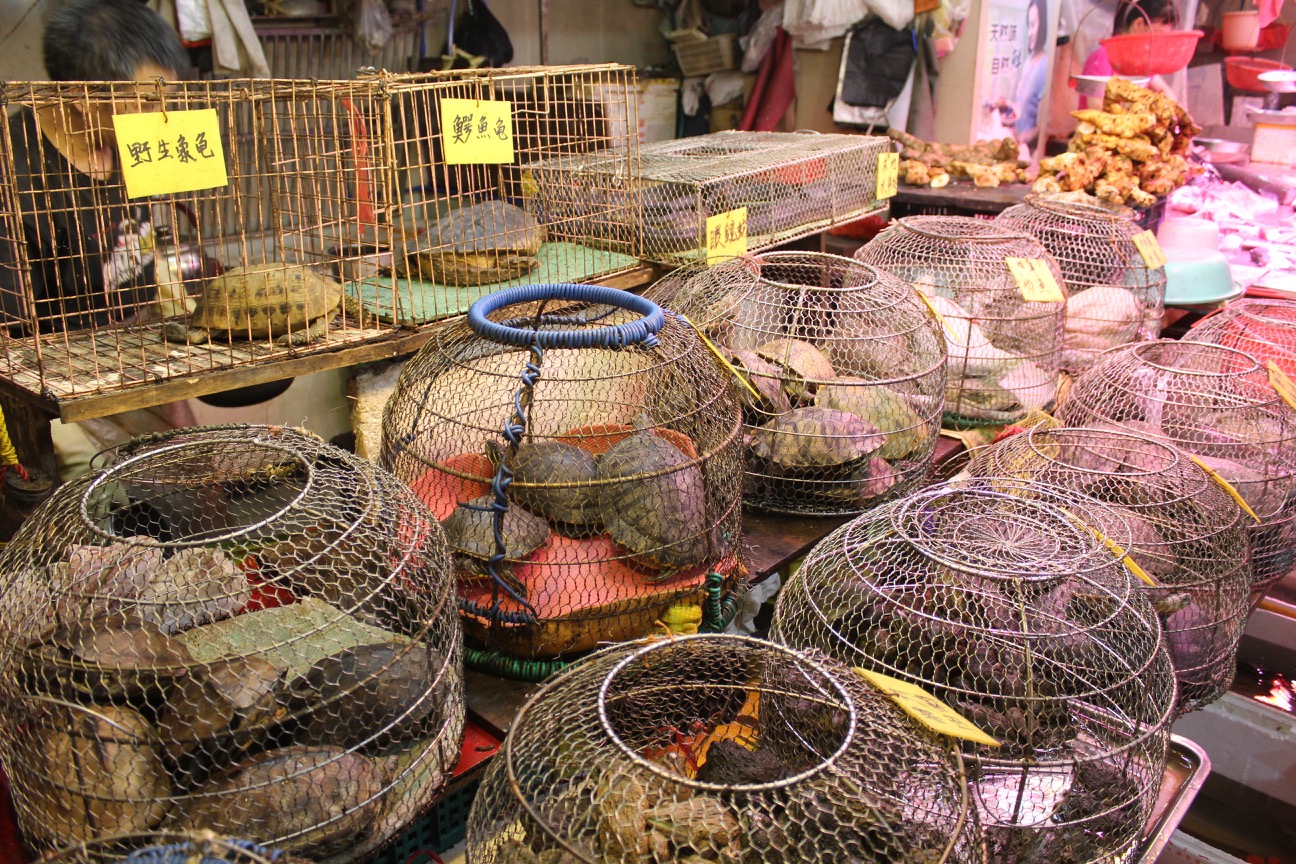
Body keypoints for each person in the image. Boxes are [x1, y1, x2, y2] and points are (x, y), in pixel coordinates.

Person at [0, 0, 196, 480]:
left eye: (169, 97)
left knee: (195, 484)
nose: (165, 115)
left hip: (142, 352)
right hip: (55, 384)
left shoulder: (137, 140)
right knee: (93, 515)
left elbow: (149, 244)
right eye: (150, 101)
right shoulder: (15, 172)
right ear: (82, 95)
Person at [1082, 0, 1179, 106]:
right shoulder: (1103, 58)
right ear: (1139, 24)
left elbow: (1163, 89)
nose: (1159, 43)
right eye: (1158, 36)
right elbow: (1096, 108)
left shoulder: (1139, 59)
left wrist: (1176, 114)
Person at [1011, 0, 1052, 151]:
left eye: (1034, 25)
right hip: (1016, 145)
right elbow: (1020, 108)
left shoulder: (1045, 65)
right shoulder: (1028, 61)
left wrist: (1023, 139)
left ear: (1043, 25)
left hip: (1029, 150)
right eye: (1029, 25)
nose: (1030, 32)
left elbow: (1041, 127)